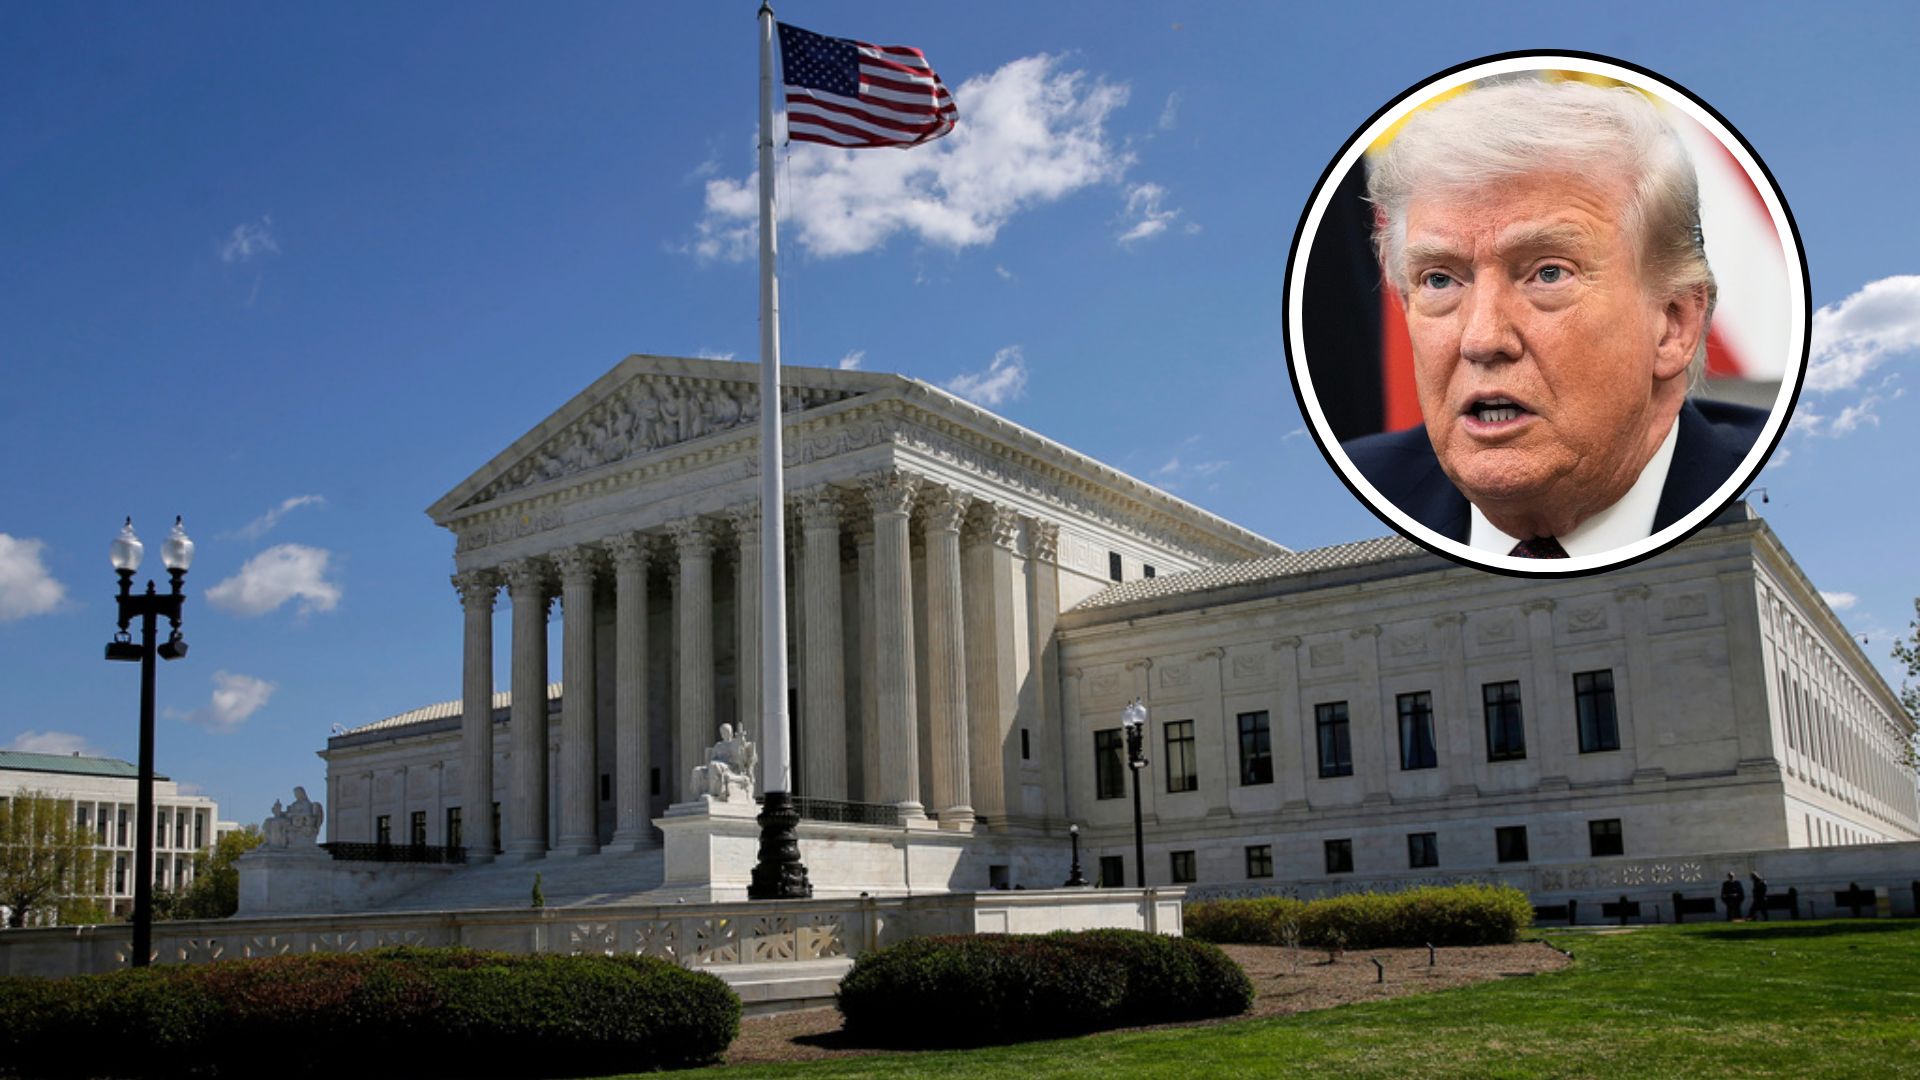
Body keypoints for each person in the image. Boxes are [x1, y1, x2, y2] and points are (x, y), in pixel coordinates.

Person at [1342, 78, 1767, 558]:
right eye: (1440, 280)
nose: (1482, 339)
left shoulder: (1767, 479)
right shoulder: (1363, 484)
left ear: (1673, 324)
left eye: (1548, 273)